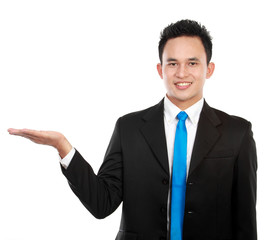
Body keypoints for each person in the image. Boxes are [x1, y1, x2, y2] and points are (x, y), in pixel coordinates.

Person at [8, 19, 257, 240]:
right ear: (160, 69)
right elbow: (102, 203)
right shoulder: (129, 128)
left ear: (208, 69)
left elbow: (246, 221)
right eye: (172, 63)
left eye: (192, 63)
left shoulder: (237, 133)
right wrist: (63, 146)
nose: (182, 73)